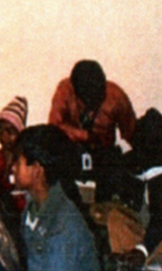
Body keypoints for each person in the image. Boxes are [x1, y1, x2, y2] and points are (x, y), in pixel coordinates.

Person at [12, 125, 102, 271]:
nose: (12, 167)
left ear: (37, 170)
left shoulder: (64, 221)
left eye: (18, 162)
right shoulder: (33, 206)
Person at [48, 59, 136, 203]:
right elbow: (52, 129)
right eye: (85, 101)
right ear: (75, 92)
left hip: (102, 153)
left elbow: (132, 134)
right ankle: (74, 210)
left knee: (116, 168)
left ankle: (104, 211)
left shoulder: (116, 97)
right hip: (72, 151)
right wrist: (85, 136)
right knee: (55, 165)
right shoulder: (65, 90)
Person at [118, 108, 162, 269]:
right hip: (146, 230)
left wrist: (143, 250)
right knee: (114, 216)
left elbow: (159, 219)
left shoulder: (157, 176)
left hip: (154, 237)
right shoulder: (138, 165)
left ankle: (139, 259)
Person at [0, 95, 28, 212]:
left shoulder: (25, 157)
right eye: (0, 130)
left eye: (9, 131)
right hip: (5, 208)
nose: (4, 136)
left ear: (20, 132)